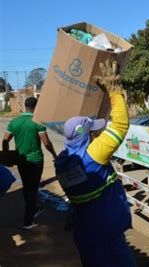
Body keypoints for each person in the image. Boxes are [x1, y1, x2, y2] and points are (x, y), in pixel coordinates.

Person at [54, 60, 135, 267]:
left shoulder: (63, 160)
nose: (96, 134)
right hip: (106, 236)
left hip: (86, 234)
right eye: (92, 131)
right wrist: (115, 92)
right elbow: (121, 125)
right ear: (86, 135)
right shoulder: (94, 155)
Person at [2, 96, 57, 229]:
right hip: (36, 161)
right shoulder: (37, 122)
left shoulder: (14, 122)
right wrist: (55, 154)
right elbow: (46, 142)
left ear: (25, 107)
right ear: (36, 107)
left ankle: (33, 209)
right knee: (32, 189)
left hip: (21, 161)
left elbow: (5, 141)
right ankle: (28, 221)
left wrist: (6, 156)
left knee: (28, 187)